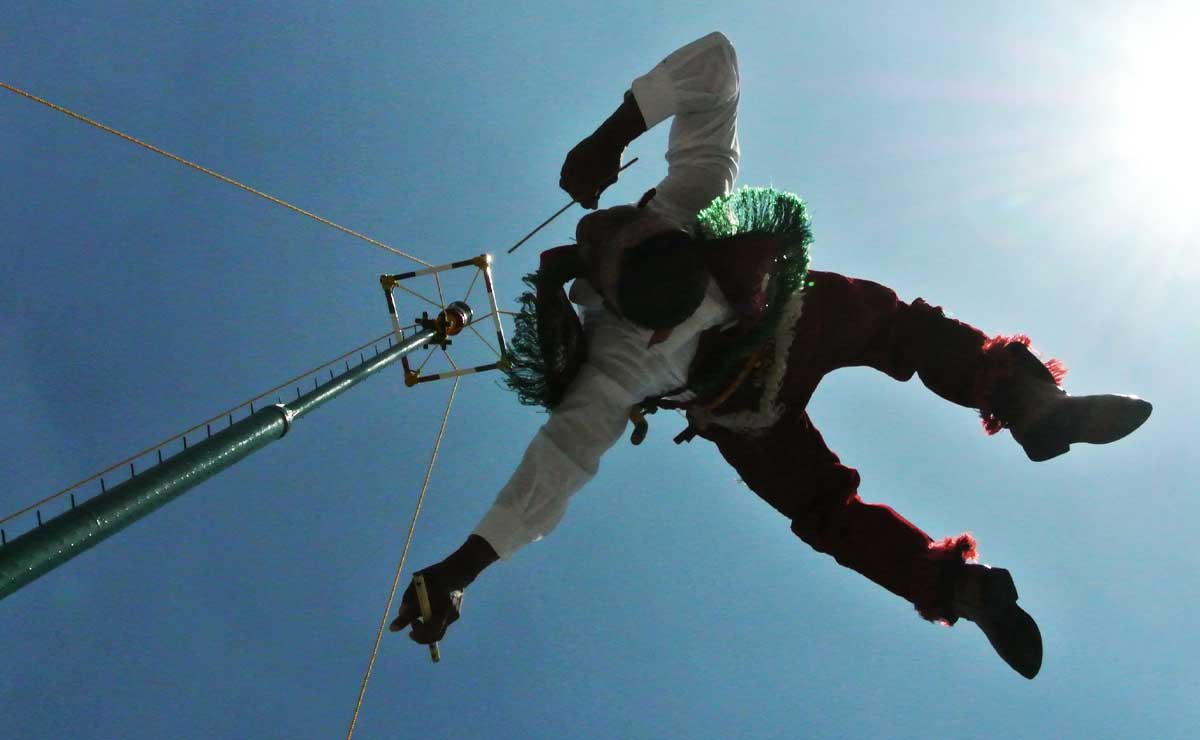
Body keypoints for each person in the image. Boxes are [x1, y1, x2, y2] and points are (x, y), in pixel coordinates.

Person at [388, 32, 1151, 679]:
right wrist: (610, 138)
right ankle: (979, 532)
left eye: (618, 225)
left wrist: (460, 573)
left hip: (748, 398)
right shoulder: (674, 228)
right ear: (634, 311)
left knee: (833, 488)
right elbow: (715, 70)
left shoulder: (621, 341)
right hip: (780, 352)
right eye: (610, 238)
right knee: (894, 343)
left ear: (670, 238)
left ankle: (974, 533)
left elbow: (556, 466)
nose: (605, 222)